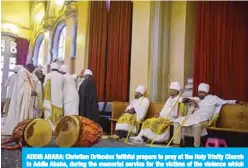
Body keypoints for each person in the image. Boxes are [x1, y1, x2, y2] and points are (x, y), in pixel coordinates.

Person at [173, 83, 239, 147]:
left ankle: (197, 146)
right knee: (177, 121)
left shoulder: (213, 98)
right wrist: (190, 102)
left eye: (202, 92)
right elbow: (186, 101)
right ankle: (177, 144)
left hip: (205, 120)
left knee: (196, 126)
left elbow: (225, 101)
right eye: (199, 92)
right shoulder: (197, 99)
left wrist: (235, 101)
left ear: (206, 92)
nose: (200, 94)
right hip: (193, 118)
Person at [2, 64, 37, 135]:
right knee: (19, 112)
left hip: (20, 97)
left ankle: (21, 128)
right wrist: (30, 91)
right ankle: (19, 129)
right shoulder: (23, 73)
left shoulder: (23, 72)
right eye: (32, 71)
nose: (32, 73)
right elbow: (21, 87)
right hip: (20, 98)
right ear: (30, 69)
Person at [43, 63, 64, 130]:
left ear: (51, 68)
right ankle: (57, 129)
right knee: (58, 115)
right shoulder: (61, 76)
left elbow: (44, 86)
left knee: (48, 112)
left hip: (49, 98)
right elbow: (63, 86)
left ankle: (49, 129)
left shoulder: (48, 75)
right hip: (58, 98)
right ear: (58, 69)